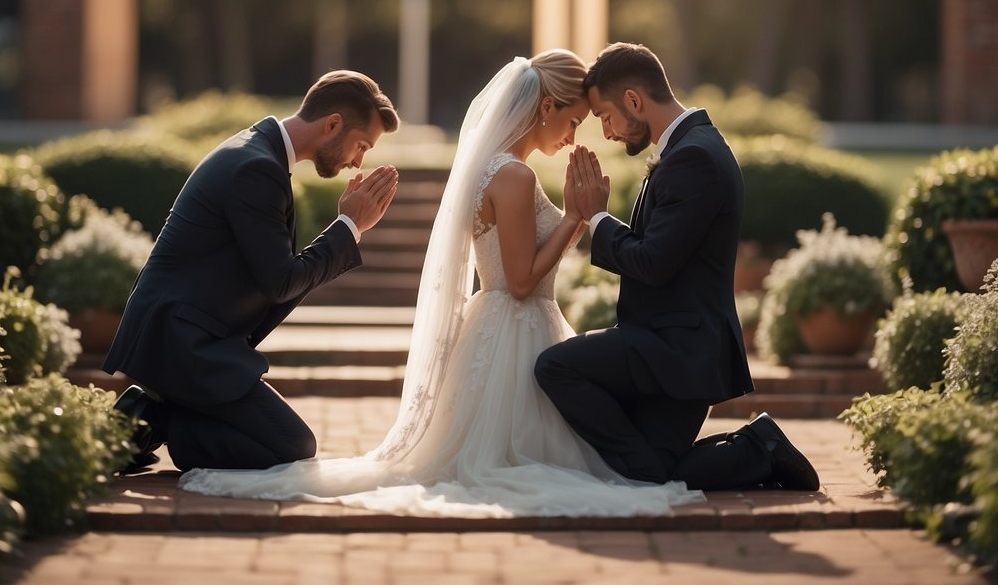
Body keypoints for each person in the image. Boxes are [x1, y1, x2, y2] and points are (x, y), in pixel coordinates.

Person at [177, 51, 704, 517]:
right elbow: (520, 282)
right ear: (546, 108)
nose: (574, 137)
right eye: (573, 121)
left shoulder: (495, 169)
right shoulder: (514, 177)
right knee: (543, 463)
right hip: (516, 328)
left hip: (497, 325)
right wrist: (574, 218)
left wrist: (573, 219)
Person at [536, 42, 820, 491]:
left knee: (555, 367)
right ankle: (759, 446)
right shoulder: (690, 147)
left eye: (606, 117)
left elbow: (652, 262)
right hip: (673, 349)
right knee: (650, 472)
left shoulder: (694, 157)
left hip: (677, 350)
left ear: (634, 100)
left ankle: (754, 449)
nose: (606, 133)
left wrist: (596, 217)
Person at [104, 70, 401, 471]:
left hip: (195, 336)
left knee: (285, 443)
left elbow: (276, 277)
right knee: (291, 445)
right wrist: (349, 227)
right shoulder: (257, 168)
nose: (358, 161)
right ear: (332, 124)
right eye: (361, 145)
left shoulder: (260, 153)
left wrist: (348, 230)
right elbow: (280, 282)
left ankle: (151, 411)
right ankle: (161, 417)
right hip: (182, 344)